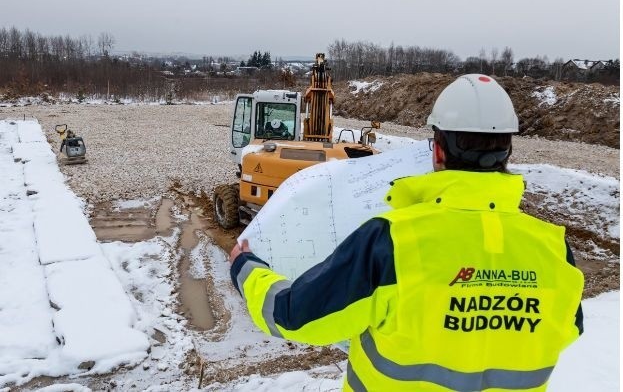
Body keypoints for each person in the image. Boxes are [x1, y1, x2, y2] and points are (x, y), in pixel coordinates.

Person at [229, 74, 584, 391]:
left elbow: (293, 315)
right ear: (508, 150)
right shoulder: (554, 250)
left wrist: (245, 267)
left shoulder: (390, 242)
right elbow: (568, 328)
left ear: (438, 150)